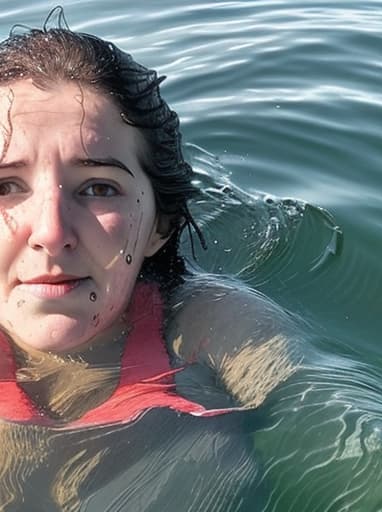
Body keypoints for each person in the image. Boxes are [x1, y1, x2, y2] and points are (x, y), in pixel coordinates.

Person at [0, 11, 299, 510]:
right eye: (6, 186)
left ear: (160, 226)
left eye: (99, 188)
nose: (51, 233)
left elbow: (345, 433)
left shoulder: (217, 323)